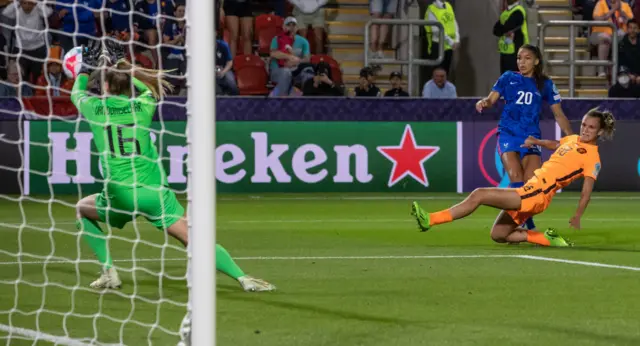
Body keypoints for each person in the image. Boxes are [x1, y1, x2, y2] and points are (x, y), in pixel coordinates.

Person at [69, 41, 275, 295]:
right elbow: (150, 89)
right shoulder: (144, 106)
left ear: (106, 87)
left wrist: (83, 70)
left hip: (119, 193)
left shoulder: (94, 109)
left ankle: (109, 271)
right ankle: (243, 278)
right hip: (153, 193)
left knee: (81, 209)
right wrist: (123, 64)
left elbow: (75, 93)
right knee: (193, 238)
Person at [411, 108, 615, 247]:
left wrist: (578, 215)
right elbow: (557, 144)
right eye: (584, 124)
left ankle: (430, 220)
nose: (585, 130)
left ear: (601, 131)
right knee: (498, 235)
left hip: (537, 193)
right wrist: (538, 141)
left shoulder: (593, 158)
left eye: (591, 127)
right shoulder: (573, 139)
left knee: (479, 194)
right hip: (533, 190)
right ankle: (546, 239)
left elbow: (586, 192)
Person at [476, 44, 573, 231]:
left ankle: (519, 222)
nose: (522, 62)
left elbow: (558, 114)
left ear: (536, 61)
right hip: (508, 134)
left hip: (531, 138)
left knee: (531, 186)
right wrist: (484, 102)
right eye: (519, 58)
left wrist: (571, 138)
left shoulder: (545, 84)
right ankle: (529, 226)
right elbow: (491, 99)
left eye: (527, 58)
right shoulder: (508, 78)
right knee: (515, 177)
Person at [493, 0, 529, 74]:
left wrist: (503, 29)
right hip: (505, 52)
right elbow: (495, 31)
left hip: (516, 53)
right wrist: (504, 29)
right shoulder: (505, 13)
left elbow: (507, 27)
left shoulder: (518, 11)